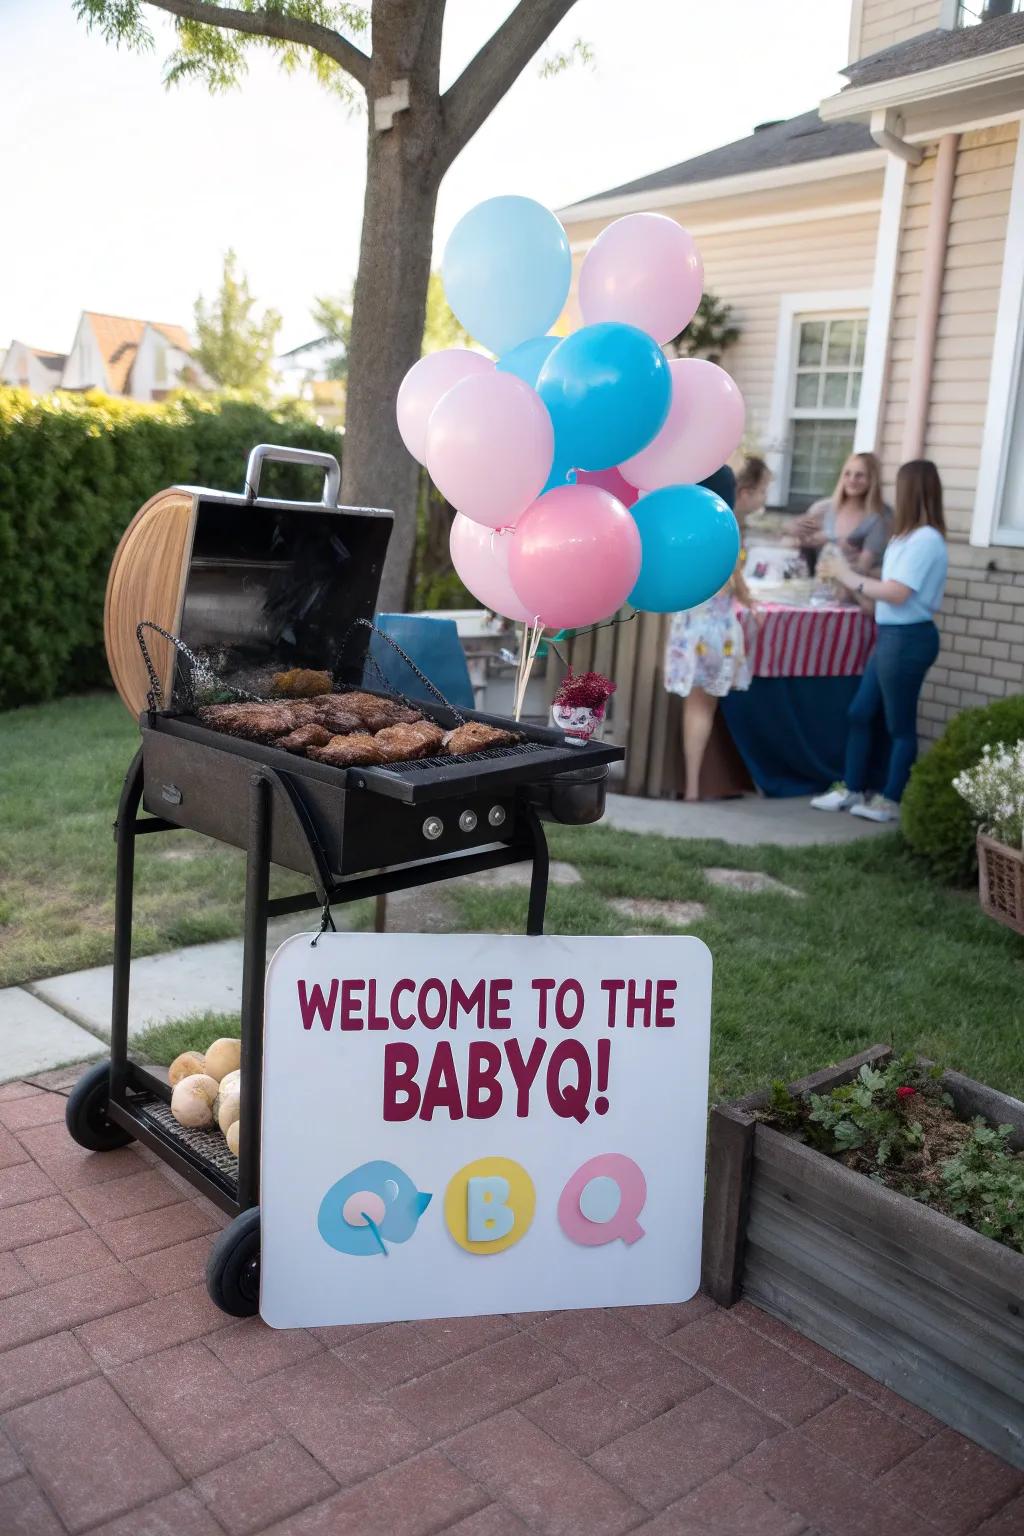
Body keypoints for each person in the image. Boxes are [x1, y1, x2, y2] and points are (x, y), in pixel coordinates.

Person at [811, 459, 948, 823]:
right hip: (890, 636)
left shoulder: (927, 539)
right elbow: (885, 581)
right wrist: (854, 569)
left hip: (909, 638)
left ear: (912, 492)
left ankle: (891, 799)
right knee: (859, 712)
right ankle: (852, 787)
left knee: (899, 726)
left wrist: (846, 574)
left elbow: (898, 593)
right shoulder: (904, 537)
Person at [787, 452, 891, 578]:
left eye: (860, 475)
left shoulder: (879, 517)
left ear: (872, 479)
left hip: (857, 591)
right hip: (821, 583)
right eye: (847, 474)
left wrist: (832, 543)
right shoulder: (825, 508)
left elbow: (863, 569)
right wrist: (793, 530)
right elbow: (794, 541)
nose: (852, 480)